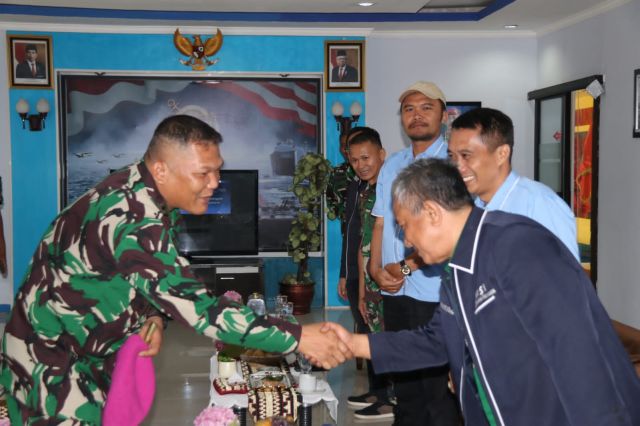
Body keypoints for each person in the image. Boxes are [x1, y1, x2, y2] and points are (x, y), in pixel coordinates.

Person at [0, 115, 349, 424]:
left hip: (85, 352)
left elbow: (141, 277)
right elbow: (199, 309)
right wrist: (299, 336)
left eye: (218, 170)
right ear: (162, 170)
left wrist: (153, 315)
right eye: (203, 173)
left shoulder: (144, 194)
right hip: (51, 360)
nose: (215, 182)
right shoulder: (133, 215)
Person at [323, 158, 640, 425]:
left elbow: (580, 353)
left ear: (432, 213)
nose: (406, 240)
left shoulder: (518, 247)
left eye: (404, 226)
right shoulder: (457, 269)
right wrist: (352, 344)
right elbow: (435, 342)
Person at [368, 81, 460, 425]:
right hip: (395, 292)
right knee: (405, 381)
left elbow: (449, 236)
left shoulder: (453, 165)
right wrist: (375, 270)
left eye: (426, 108)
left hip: (435, 293)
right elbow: (380, 222)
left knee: (436, 388)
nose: (416, 115)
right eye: (409, 109)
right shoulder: (393, 164)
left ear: (443, 115)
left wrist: (403, 268)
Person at [447, 107, 580, 260]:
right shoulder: (474, 207)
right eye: (452, 156)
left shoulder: (539, 205)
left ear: (501, 154)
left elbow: (566, 273)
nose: (456, 166)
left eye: (466, 155)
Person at [335, 127, 393, 420]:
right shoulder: (363, 190)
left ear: (381, 155)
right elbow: (359, 240)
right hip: (368, 279)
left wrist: (400, 271)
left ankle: (390, 398)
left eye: (366, 158)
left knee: (386, 339)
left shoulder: (394, 189)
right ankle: (378, 392)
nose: (361, 165)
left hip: (390, 280)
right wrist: (357, 286)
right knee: (372, 336)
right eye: (355, 160)